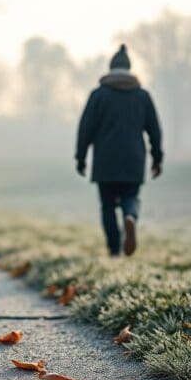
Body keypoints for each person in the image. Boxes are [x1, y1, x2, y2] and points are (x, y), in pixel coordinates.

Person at [75, 44, 164, 256]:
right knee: (130, 197)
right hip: (133, 158)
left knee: (107, 206)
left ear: (110, 69)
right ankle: (130, 217)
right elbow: (154, 129)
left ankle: (114, 250)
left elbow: (85, 128)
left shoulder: (98, 95)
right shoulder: (142, 96)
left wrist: (80, 158)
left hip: (105, 160)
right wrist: (157, 158)